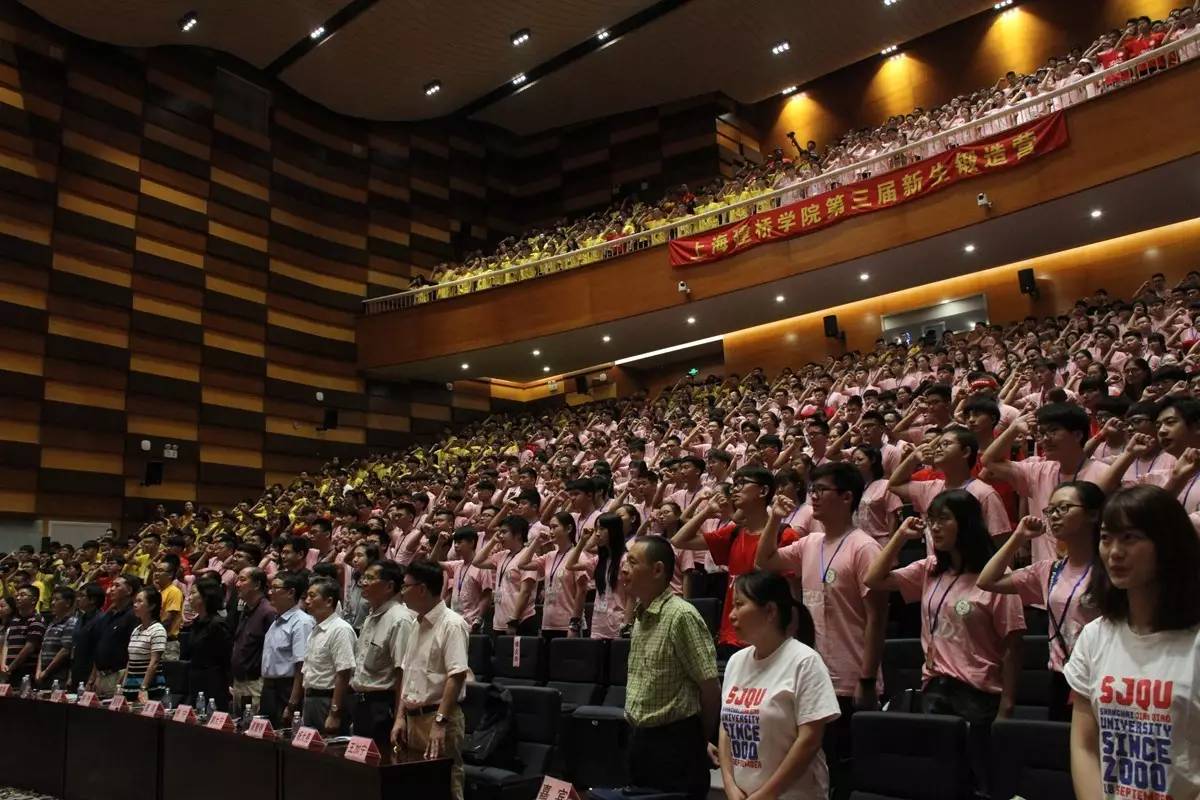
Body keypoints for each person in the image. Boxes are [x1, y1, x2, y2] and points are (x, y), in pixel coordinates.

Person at [864, 490, 1025, 791]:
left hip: (978, 696)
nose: (934, 527)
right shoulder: (931, 570)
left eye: (943, 520)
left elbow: (1013, 646)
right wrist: (900, 536)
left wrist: (1008, 707)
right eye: (931, 521)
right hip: (934, 689)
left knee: (976, 783)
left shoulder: (997, 577)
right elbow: (874, 579)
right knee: (939, 783)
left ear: (966, 523)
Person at [755, 462, 887, 800]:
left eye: (821, 490)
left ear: (846, 497)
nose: (812, 497)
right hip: (812, 674)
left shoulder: (864, 547)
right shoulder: (810, 542)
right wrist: (774, 519)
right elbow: (765, 560)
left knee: (844, 771)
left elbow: (877, 618)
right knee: (814, 765)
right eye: (811, 490)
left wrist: (868, 679)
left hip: (849, 677)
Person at [1065, 485, 1200, 800]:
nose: (1114, 552)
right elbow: (1084, 745)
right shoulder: (1094, 636)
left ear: (1168, 545)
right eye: (1106, 538)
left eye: (1130, 538)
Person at [978, 480, 1103, 720]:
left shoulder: (1111, 569)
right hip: (1061, 677)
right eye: (1050, 510)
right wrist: (1018, 536)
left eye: (1064, 508)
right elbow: (987, 580)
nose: (1054, 516)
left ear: (1093, 514)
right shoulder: (1049, 570)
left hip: (1100, 676)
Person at [719, 570, 840, 800]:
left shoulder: (805, 661)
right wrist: (729, 784)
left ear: (770, 611)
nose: (732, 615)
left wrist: (766, 795)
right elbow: (726, 727)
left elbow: (810, 740)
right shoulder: (736, 661)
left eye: (739, 605)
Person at [621, 534, 720, 800]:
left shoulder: (681, 615)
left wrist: (701, 739)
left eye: (632, 562)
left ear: (657, 570)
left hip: (676, 744)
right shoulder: (641, 615)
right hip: (640, 740)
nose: (623, 568)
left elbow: (709, 687)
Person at [672, 466, 800, 657]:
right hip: (730, 634)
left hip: (768, 639)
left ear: (763, 491)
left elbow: (793, 595)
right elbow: (679, 540)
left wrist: (790, 639)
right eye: (734, 485)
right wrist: (708, 511)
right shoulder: (733, 533)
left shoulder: (785, 535)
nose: (735, 490)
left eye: (742, 484)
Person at [394, 559, 471, 800]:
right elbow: (408, 676)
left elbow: (456, 675)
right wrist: (400, 717)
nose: (402, 591)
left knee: (444, 786)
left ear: (422, 588)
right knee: (416, 788)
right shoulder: (416, 623)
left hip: (440, 719)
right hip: (413, 719)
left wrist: (439, 723)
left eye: (405, 586)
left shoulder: (452, 624)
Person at [350, 560, 415, 744]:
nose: (363, 582)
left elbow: (402, 672)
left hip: (382, 707)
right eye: (363, 577)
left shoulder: (399, 619)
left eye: (370, 578)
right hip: (362, 704)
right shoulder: (371, 616)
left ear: (389, 586)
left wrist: (399, 718)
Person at [301, 577, 357, 735]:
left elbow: (344, 673)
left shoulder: (340, 629)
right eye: (306, 596)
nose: (307, 601)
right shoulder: (315, 630)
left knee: (328, 751)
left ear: (328, 601)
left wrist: (334, 712)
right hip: (311, 699)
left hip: (328, 700)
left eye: (312, 596)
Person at [515, 511, 583, 639]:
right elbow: (522, 564)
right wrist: (536, 542)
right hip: (548, 623)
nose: (551, 531)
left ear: (568, 528)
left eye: (555, 527)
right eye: (550, 527)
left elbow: (581, 591)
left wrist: (574, 624)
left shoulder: (577, 556)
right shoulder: (549, 556)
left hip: (567, 624)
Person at [260, 573, 313, 727]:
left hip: (286, 689)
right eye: (270, 588)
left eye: (276, 588)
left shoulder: (301, 622)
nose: (270, 592)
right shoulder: (276, 621)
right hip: (269, 688)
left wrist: (292, 704)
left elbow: (301, 666)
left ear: (291, 592)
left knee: (284, 736)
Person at [472, 515, 538, 636]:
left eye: (504, 532)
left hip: (520, 621)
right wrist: (492, 541)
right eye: (499, 532)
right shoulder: (502, 555)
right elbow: (477, 562)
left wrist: (514, 620)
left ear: (518, 534)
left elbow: (526, 591)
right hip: (499, 622)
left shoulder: (529, 556)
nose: (500, 536)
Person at [230, 567, 275, 714]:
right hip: (239, 681)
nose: (237, 584)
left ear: (257, 585)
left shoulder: (268, 612)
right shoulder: (245, 609)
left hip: (255, 683)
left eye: (242, 580)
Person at [182, 581, 232, 711]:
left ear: (205, 597)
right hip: (195, 680)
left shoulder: (217, 624)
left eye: (193, 593)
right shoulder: (196, 622)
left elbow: (226, 658)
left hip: (214, 682)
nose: (189, 597)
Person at [87, 574, 139, 698]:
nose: (111, 589)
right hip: (101, 676)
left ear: (129, 590)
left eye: (117, 585)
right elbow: (99, 646)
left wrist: (125, 678)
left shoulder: (133, 615)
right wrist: (93, 676)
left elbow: (134, 650)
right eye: (111, 585)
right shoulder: (108, 615)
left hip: (118, 676)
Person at [122, 587, 167, 701]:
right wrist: (123, 684)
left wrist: (143, 687)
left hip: (149, 688)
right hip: (131, 686)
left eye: (140, 601)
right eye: (135, 601)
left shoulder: (158, 630)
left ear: (152, 606)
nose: (135, 605)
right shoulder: (136, 629)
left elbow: (154, 662)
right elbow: (131, 661)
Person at [1, 585, 44, 686]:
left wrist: (11, 667)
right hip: (8, 671)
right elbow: (7, 644)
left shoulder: (36, 620)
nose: (18, 598)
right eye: (17, 595)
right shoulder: (14, 620)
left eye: (22, 595)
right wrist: (3, 665)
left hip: (25, 672)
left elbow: (29, 648)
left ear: (33, 600)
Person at [36, 586, 77, 688]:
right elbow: (42, 648)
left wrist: (46, 671)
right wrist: (39, 671)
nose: (52, 603)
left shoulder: (71, 622)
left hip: (59, 674)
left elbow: (65, 650)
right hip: (43, 673)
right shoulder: (51, 623)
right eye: (52, 600)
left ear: (68, 603)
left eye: (57, 599)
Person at [70, 582, 105, 689]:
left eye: (82, 596)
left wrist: (92, 678)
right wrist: (70, 675)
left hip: (89, 672)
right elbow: (74, 647)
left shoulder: (101, 619)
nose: (78, 599)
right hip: (77, 670)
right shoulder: (81, 618)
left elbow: (99, 651)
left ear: (92, 600)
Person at [152, 558, 183, 661]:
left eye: (160, 571)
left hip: (167, 642)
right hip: (157, 640)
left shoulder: (174, 591)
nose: (156, 573)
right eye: (156, 570)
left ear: (170, 575)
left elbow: (168, 620)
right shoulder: (160, 592)